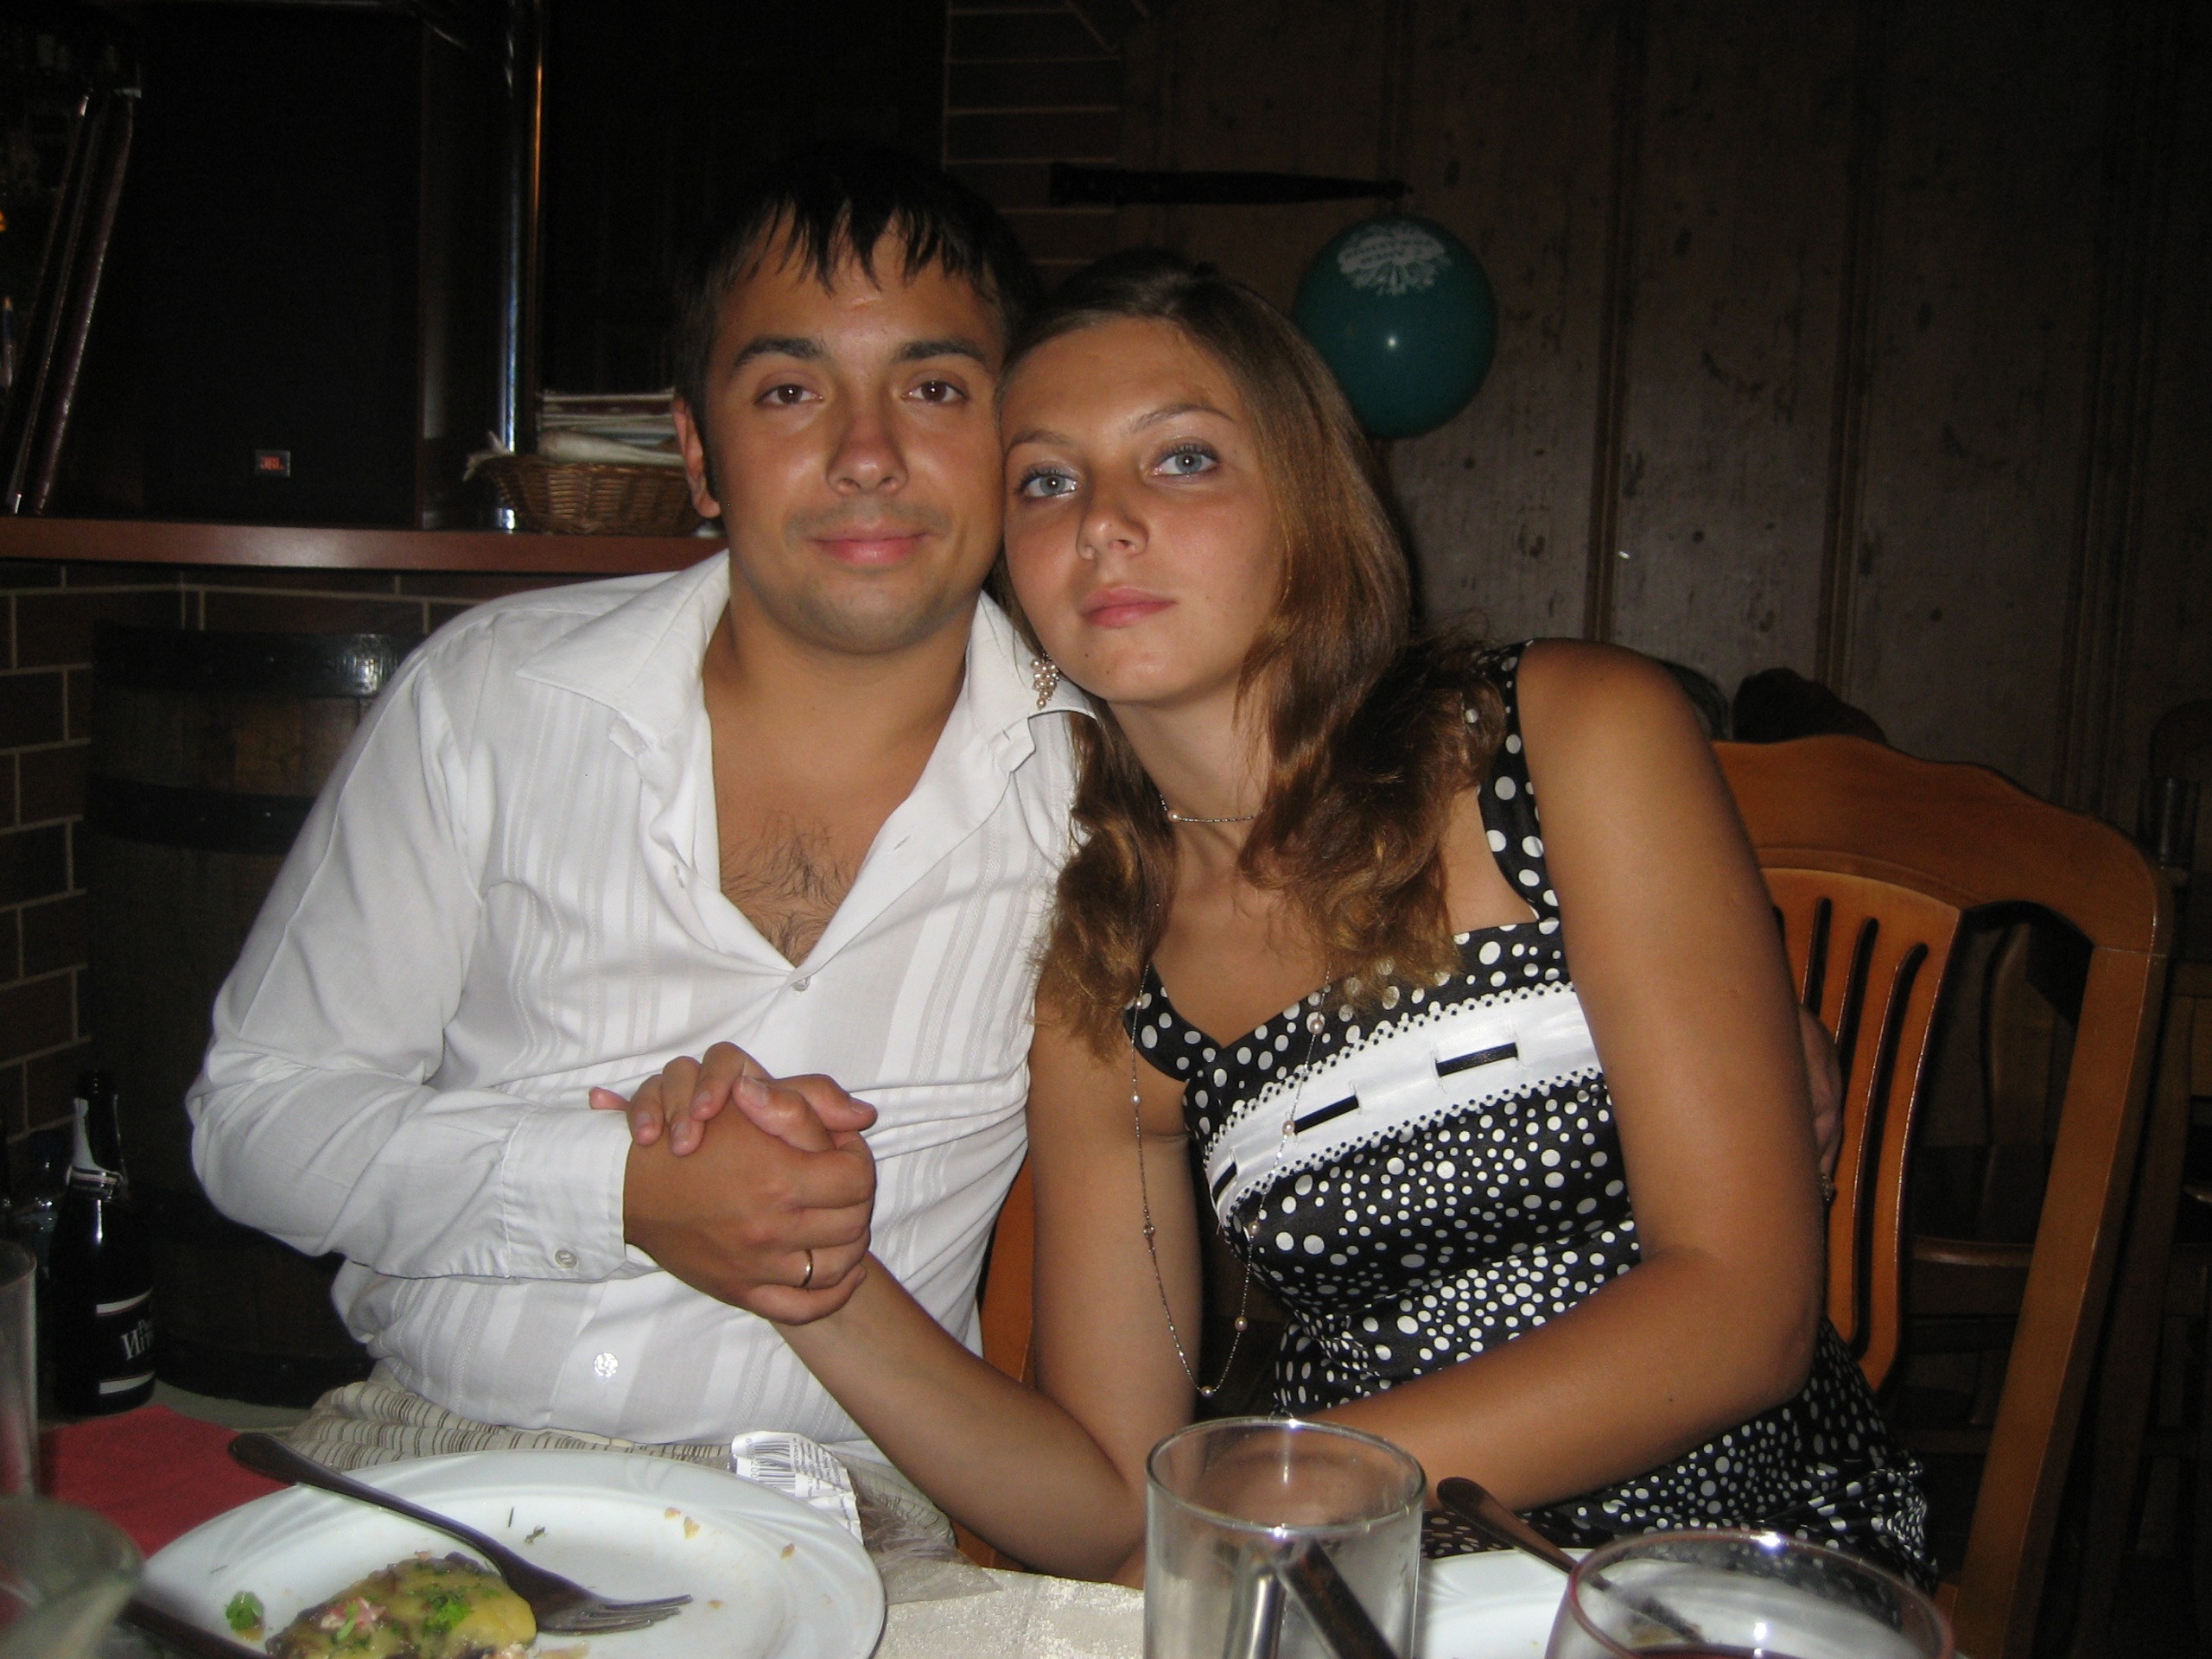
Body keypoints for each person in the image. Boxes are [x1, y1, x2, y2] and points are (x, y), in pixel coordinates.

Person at [624, 250, 1931, 1588]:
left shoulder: (1565, 736)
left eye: (1182, 460)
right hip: (1364, 1595)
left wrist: (1271, 1492)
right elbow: (1100, 1502)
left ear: (1310, 499)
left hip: (1725, 1577)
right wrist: (812, 1280)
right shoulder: (1109, 964)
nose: (1104, 523)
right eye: (1046, 482)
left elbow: (1741, 1315)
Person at [184, 145, 1089, 1486]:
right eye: (790, 391)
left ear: (1015, 439)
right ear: (699, 455)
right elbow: (257, 1124)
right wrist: (616, 1187)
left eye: (935, 388)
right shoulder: (488, 700)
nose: (867, 456)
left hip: (846, 1512)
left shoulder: (1099, 803)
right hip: (434, 1455)